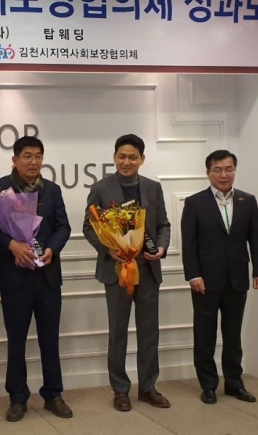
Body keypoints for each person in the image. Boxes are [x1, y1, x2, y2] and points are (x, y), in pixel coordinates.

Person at [83, 133, 171, 412]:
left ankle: (147, 387)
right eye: (122, 156)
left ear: (142, 159)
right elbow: (88, 226)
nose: (126, 161)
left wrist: (161, 247)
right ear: (114, 158)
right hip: (117, 269)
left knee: (149, 332)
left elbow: (164, 225)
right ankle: (120, 389)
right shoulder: (101, 188)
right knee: (118, 332)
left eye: (133, 157)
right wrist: (108, 249)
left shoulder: (153, 188)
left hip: (148, 269)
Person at [0, 136, 73, 422]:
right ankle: (17, 398)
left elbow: (63, 226)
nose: (33, 161)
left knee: (50, 339)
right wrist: (11, 244)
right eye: (27, 156)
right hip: (15, 278)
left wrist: (52, 249)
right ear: (15, 160)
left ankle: (53, 394)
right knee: (16, 340)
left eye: (38, 156)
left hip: (46, 275)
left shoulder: (52, 190)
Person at [181, 150, 258, 405]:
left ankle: (234, 383)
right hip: (205, 280)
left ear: (235, 171)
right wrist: (193, 275)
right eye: (218, 169)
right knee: (205, 335)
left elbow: (256, 238)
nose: (224, 174)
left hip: (237, 278)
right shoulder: (195, 203)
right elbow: (189, 243)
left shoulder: (247, 200)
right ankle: (208, 385)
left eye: (229, 169)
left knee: (233, 335)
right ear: (208, 173)